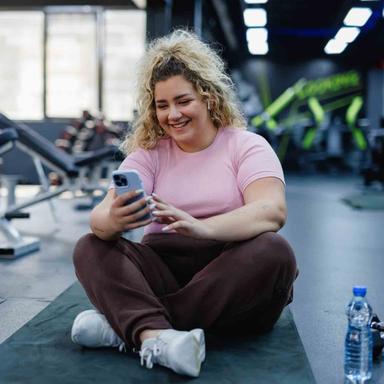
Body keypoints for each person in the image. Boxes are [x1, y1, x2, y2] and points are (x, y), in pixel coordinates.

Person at [71, 29, 297, 378]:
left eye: (183, 101)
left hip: (228, 273)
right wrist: (113, 218)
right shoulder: (149, 153)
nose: (172, 114)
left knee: (275, 252)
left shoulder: (247, 146)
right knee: (90, 246)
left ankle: (130, 326)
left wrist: (203, 227)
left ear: (208, 97)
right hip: (164, 266)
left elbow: (271, 210)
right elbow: (99, 217)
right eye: (162, 105)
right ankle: (157, 335)